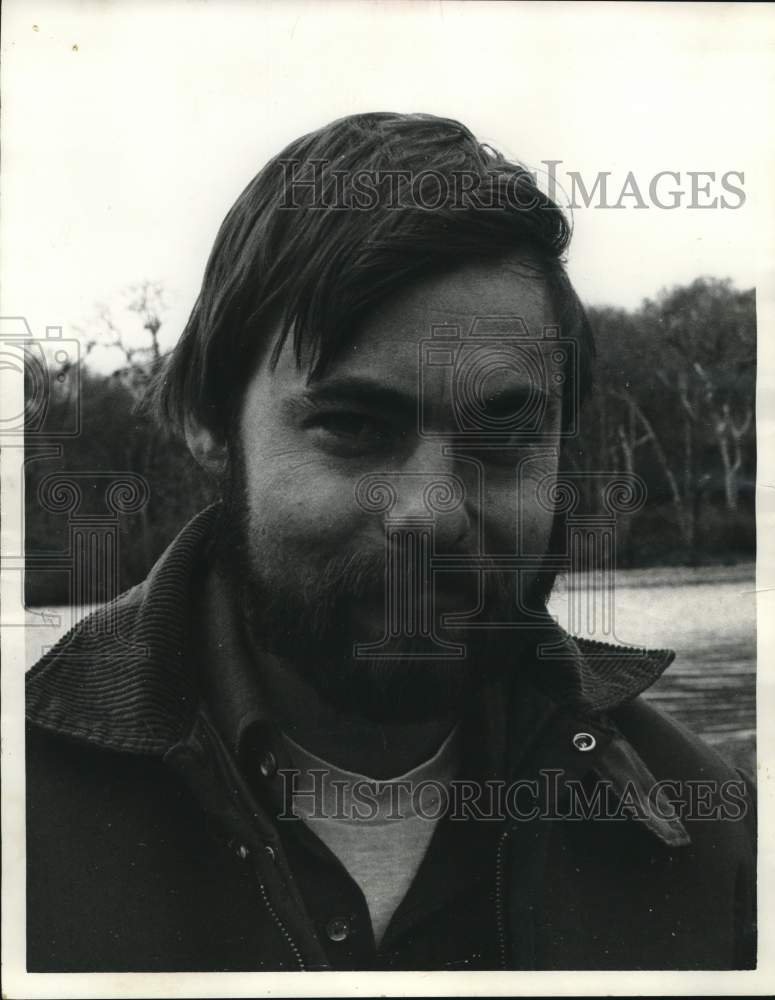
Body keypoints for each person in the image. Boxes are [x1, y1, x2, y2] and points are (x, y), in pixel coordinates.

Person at [26, 112, 756, 972]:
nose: (431, 514)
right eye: (353, 426)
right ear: (208, 424)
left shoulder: (715, 833)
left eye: (501, 437)